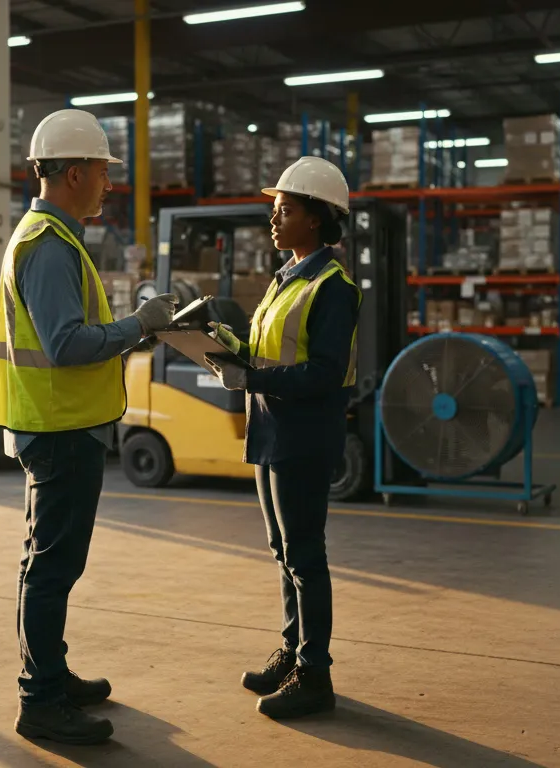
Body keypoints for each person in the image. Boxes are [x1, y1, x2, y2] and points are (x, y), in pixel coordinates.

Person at [0, 108, 180, 745]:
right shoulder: (48, 245)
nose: (108, 185)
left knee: (50, 563)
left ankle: (49, 674)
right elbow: (68, 345)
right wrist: (142, 326)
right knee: (52, 567)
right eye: (102, 173)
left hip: (57, 425)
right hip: (59, 429)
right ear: (74, 173)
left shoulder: (53, 237)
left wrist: (130, 320)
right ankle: (40, 700)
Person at [203, 156, 360, 720]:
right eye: (275, 210)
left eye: (285, 210)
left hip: (303, 435)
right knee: (283, 551)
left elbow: (323, 370)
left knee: (305, 556)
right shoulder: (286, 278)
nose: (274, 220)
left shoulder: (332, 287)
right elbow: (269, 350)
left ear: (316, 219)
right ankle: (294, 650)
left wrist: (254, 377)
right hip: (271, 429)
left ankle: (315, 675)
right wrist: (222, 344)